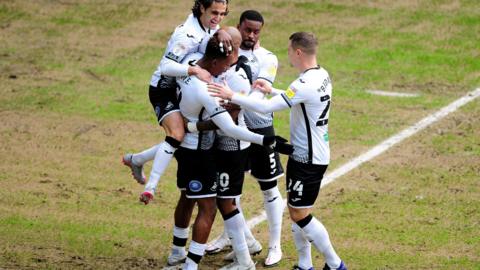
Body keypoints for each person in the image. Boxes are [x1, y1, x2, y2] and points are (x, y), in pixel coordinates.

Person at [208, 32, 347, 270]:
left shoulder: (304, 83)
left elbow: (267, 107)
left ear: (299, 52)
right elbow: (298, 98)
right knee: (297, 209)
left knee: (300, 214)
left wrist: (234, 96)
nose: (289, 56)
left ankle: (335, 265)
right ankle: (305, 264)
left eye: (290, 51)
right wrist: (272, 89)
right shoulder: (321, 75)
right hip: (310, 153)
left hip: (308, 159)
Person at [169, 31, 283, 270]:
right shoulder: (212, 69)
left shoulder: (237, 77)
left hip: (232, 146)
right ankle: (247, 245)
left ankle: (245, 261)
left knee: (226, 202)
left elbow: (231, 119)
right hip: (219, 145)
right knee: (224, 201)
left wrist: (193, 125)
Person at [122, 0, 233, 205]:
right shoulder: (186, 34)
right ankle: (150, 189)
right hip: (163, 89)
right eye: (214, 13)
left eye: (223, 14)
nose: (217, 18)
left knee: (182, 140)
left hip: (183, 87)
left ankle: (136, 160)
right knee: (177, 134)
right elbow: (166, 66)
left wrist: (223, 30)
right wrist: (193, 70)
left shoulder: (211, 25)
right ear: (201, 8)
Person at [205, 10, 285, 268]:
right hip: (232, 130)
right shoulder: (228, 50)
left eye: (256, 31)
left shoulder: (268, 58)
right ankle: (232, 236)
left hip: (260, 128)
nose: (251, 35)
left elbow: (259, 99)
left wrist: (233, 97)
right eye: (247, 30)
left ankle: (275, 245)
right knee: (229, 188)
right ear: (238, 27)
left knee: (268, 185)